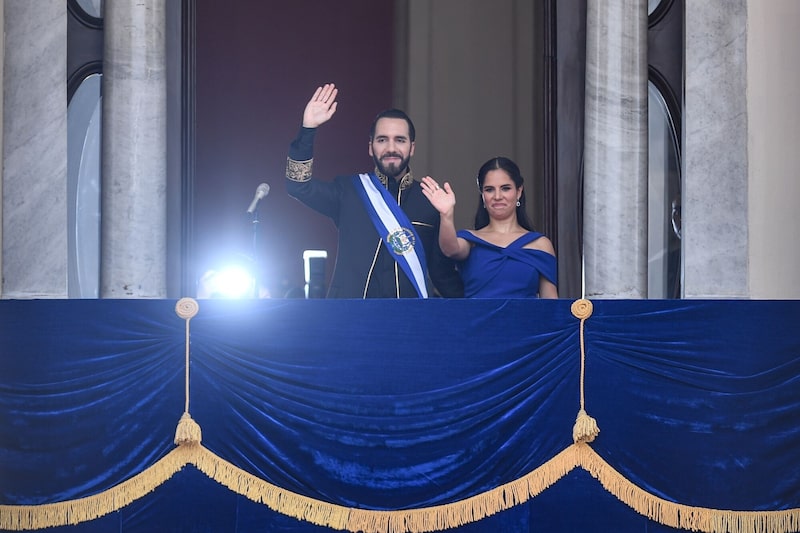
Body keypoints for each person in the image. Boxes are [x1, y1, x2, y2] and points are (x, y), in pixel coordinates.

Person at [285, 83, 463, 298]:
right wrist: (308, 129)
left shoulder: (429, 200)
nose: (391, 148)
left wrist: (477, 311)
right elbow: (298, 185)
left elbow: (442, 275)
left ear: (412, 147)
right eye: (382, 140)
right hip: (351, 317)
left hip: (410, 320)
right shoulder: (348, 191)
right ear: (370, 147)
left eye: (400, 140)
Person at [421, 156, 558, 298]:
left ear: (518, 191)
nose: (497, 196)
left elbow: (551, 305)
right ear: (482, 195)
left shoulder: (540, 244)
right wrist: (446, 215)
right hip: (476, 320)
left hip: (526, 320)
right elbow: (450, 249)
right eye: (489, 189)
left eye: (505, 188)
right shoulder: (471, 240)